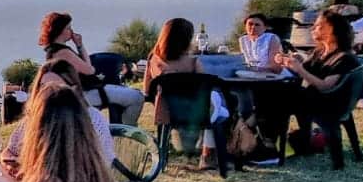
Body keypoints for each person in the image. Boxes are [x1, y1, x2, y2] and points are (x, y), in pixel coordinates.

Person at [273, 10, 362, 168]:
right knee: (273, 95)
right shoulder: (321, 51)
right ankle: (292, 143)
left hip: (328, 104)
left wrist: (299, 69)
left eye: (319, 26)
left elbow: (325, 86)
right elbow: (306, 68)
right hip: (315, 99)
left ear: (333, 30)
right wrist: (290, 61)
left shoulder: (344, 58)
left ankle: (268, 147)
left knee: (274, 101)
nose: (314, 29)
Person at [140, 18, 230, 169]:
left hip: (168, 112)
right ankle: (207, 154)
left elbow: (147, 91)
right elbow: (204, 87)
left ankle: (170, 154)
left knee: (218, 109)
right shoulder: (194, 63)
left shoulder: (154, 60)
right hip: (198, 114)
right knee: (220, 111)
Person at [37, 12, 144, 125]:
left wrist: (79, 46)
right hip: (86, 94)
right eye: (68, 28)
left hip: (84, 92)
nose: (71, 31)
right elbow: (90, 70)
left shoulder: (53, 50)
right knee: (137, 97)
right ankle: (126, 132)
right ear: (61, 30)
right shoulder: (63, 52)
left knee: (129, 92)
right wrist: (80, 46)